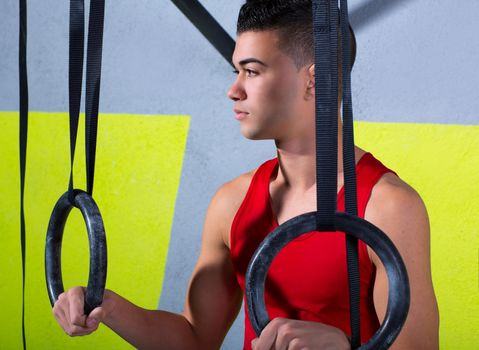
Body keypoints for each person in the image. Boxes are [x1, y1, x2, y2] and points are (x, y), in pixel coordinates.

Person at [53, 1, 439, 349]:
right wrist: (107, 305)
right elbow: (195, 338)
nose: (233, 90)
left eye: (252, 71)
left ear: (314, 79)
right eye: (236, 70)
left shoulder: (388, 207)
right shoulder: (232, 203)